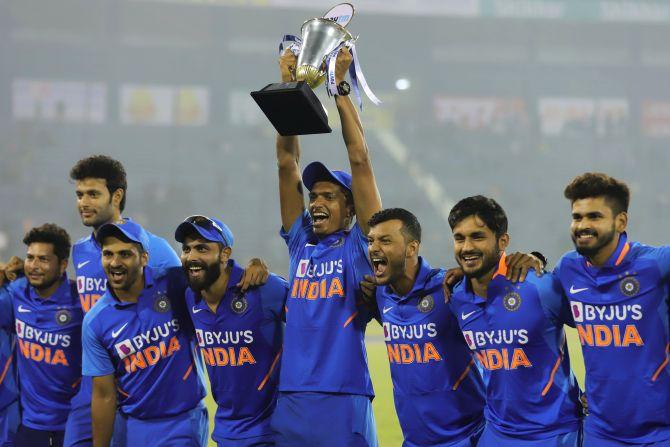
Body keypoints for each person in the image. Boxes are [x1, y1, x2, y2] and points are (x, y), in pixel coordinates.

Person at [270, 47, 382, 446]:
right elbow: (287, 164)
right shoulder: (301, 243)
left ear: (351, 210)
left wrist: (340, 88)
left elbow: (360, 160)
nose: (316, 202)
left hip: (342, 397)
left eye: (330, 196)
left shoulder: (358, 248)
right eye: (314, 195)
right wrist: (289, 88)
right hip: (292, 397)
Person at [65, 155, 182, 447]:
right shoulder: (79, 251)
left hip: (144, 381)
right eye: (80, 195)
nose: (83, 202)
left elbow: (189, 299)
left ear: (116, 196)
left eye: (93, 194)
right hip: (94, 379)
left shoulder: (155, 248)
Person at [448, 196, 582, 447]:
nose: (466, 247)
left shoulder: (539, 287)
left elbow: (598, 328)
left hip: (553, 434)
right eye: (459, 238)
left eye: (477, 237)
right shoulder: (456, 297)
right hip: (496, 433)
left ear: (503, 241)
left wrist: (602, 392)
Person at [555, 173, 670, 446]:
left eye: (594, 216)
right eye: (577, 217)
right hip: (601, 431)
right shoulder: (567, 269)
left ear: (621, 221)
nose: (582, 225)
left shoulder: (656, 265)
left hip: (660, 431)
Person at [82, 220, 208, 447]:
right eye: (108, 254)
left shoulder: (175, 282)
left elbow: (217, 278)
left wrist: (250, 268)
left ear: (144, 258)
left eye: (125, 254)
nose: (115, 262)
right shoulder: (95, 321)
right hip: (133, 427)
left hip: (184, 421)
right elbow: (103, 395)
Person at [366, 208, 486, 446]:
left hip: (467, 437)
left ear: (412, 247)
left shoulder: (449, 287)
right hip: (414, 441)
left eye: (385, 240)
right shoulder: (380, 294)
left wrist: (534, 257)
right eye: (371, 241)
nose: (373, 248)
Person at [175, 215, 287, 446]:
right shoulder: (189, 297)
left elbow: (312, 316)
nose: (192, 257)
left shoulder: (262, 288)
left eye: (202, 248)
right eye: (187, 249)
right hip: (226, 433)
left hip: (272, 431)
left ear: (225, 254)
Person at [0, 224, 83, 447]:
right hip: (28, 425)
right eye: (30, 258)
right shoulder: (16, 292)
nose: (34, 266)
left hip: (72, 425)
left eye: (43, 259)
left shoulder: (80, 303)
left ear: (63, 264)